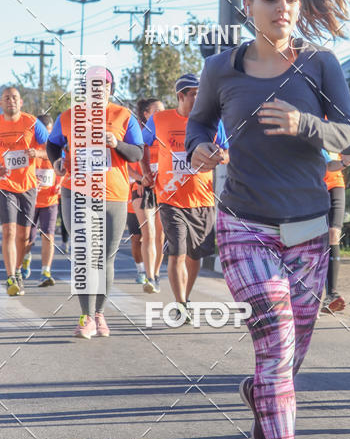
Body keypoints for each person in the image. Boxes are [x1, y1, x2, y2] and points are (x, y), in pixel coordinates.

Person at [185, 0, 350, 439]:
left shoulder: (321, 65)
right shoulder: (220, 68)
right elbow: (198, 122)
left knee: (290, 358)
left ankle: (262, 397)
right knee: (278, 338)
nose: (281, 7)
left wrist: (306, 126)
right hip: (244, 223)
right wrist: (199, 149)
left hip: (310, 228)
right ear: (249, 6)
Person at [47, 67, 144, 338]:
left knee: (105, 257)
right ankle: (86, 317)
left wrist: (116, 144)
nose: (98, 88)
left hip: (112, 192)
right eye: (92, 84)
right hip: (75, 191)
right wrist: (56, 161)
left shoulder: (124, 116)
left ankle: (99, 314)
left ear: (110, 88)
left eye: (103, 84)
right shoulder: (68, 117)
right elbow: (54, 144)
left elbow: (137, 153)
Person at [142, 76, 224, 321]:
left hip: (202, 199)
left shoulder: (213, 121)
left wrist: (220, 156)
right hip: (170, 197)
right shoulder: (159, 120)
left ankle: (185, 298)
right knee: (176, 252)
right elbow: (142, 145)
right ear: (181, 96)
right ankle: (180, 304)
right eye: (195, 93)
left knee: (195, 255)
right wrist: (146, 170)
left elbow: (228, 150)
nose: (201, 98)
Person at [0, 87, 49, 296]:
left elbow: (52, 150)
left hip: (28, 186)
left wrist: (37, 152)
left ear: (21, 102)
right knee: (9, 232)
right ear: (1, 103)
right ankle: (11, 276)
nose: (11, 101)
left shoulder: (32, 123)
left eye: (14, 98)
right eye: (6, 98)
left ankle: (18, 270)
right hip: (5, 186)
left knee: (24, 235)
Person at [20, 114, 61, 287]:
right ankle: (25, 259)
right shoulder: (28, 144)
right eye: (45, 133)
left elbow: (63, 165)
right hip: (30, 200)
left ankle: (45, 271)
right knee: (27, 239)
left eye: (50, 132)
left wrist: (60, 184)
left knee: (48, 235)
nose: (47, 137)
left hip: (50, 199)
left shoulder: (55, 147)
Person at [132, 98, 165, 290]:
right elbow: (126, 165)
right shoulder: (137, 134)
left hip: (163, 188)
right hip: (141, 189)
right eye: (157, 110)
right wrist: (140, 178)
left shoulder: (164, 131)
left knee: (160, 236)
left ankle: (156, 274)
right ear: (146, 114)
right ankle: (149, 277)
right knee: (148, 233)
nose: (162, 113)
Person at [321, 150, 350, 313]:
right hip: (310, 186)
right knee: (310, 240)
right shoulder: (308, 125)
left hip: (335, 184)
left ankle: (332, 294)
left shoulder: (337, 125)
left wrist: (346, 161)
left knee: (334, 234)